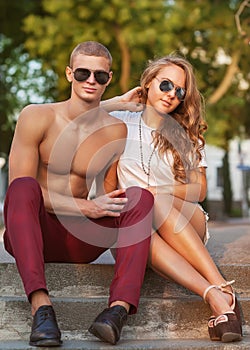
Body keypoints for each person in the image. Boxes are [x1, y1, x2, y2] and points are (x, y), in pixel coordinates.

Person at [3, 41, 154, 347]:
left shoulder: (115, 131)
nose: (91, 80)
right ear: (70, 73)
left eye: (100, 75)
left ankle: (116, 312)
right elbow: (19, 193)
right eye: (84, 72)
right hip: (34, 234)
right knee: (22, 186)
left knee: (141, 198)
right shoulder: (37, 116)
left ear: (108, 79)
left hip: (81, 242)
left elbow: (110, 195)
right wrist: (86, 207)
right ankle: (42, 309)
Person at [104, 54, 243, 343]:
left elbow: (199, 190)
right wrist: (116, 101)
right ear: (148, 83)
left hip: (184, 219)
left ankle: (218, 284)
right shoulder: (118, 121)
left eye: (179, 91)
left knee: (156, 201)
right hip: (135, 229)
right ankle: (220, 297)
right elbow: (69, 116)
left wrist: (158, 193)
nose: (171, 95)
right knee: (139, 221)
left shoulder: (183, 132)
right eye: (165, 84)